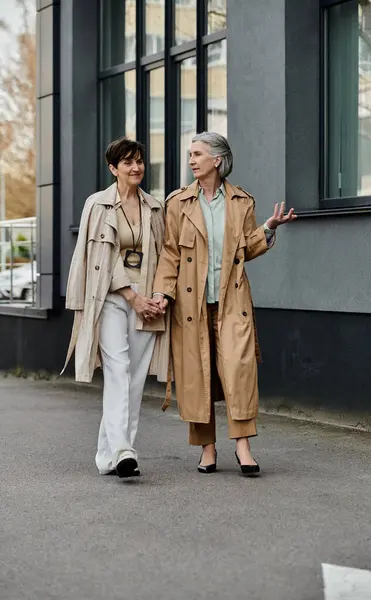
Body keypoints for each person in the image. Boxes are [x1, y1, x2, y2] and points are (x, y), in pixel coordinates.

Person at [152, 131, 296, 476]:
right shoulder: (178, 203)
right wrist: (161, 293)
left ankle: (244, 448)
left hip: (232, 303)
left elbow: (245, 248)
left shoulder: (242, 202)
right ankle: (207, 450)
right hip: (190, 307)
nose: (191, 160)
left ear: (217, 160)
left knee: (239, 372)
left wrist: (269, 228)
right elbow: (170, 254)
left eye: (198, 154)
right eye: (190, 154)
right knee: (196, 377)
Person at [62, 137, 169, 478]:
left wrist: (158, 295)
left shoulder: (154, 207)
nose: (136, 167)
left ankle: (113, 456)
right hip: (110, 297)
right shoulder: (97, 204)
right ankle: (124, 449)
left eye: (139, 161)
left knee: (135, 378)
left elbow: (165, 255)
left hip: (147, 300)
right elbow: (98, 258)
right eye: (128, 162)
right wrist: (131, 296)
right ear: (113, 168)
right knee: (118, 369)